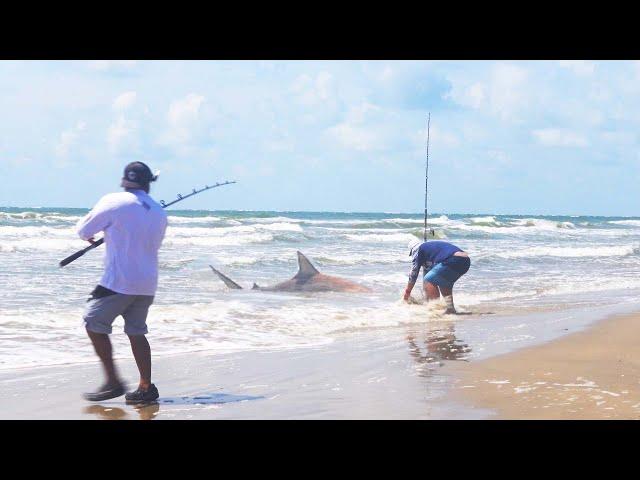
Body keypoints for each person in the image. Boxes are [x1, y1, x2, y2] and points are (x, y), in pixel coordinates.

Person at [76, 162, 168, 403]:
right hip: (147, 282)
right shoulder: (158, 211)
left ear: (125, 181)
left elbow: (84, 229)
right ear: (148, 183)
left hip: (118, 280)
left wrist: (91, 236)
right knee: (136, 331)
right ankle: (145, 387)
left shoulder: (114, 201)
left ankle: (113, 381)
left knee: (92, 321)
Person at [403, 239, 470, 314]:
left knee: (428, 280)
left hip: (453, 259)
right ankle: (450, 309)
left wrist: (407, 293)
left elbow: (414, 273)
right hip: (466, 261)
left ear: (412, 249)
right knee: (444, 283)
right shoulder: (429, 247)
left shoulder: (417, 249)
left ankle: (436, 310)